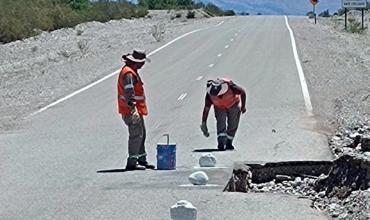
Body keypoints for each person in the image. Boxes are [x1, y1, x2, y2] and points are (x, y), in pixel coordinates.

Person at [117, 49, 155, 170]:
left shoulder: (132, 71)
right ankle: (132, 162)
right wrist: (132, 109)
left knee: (141, 134)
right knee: (136, 135)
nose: (143, 65)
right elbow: (129, 92)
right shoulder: (128, 73)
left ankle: (141, 159)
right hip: (131, 110)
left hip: (136, 109)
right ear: (136, 62)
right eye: (142, 62)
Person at [200, 78, 247, 151]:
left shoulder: (231, 87)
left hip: (233, 104)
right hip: (219, 107)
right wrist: (204, 122)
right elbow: (206, 109)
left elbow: (243, 92)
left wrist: (243, 106)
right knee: (221, 123)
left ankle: (229, 142)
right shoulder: (209, 95)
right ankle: (221, 143)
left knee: (233, 124)